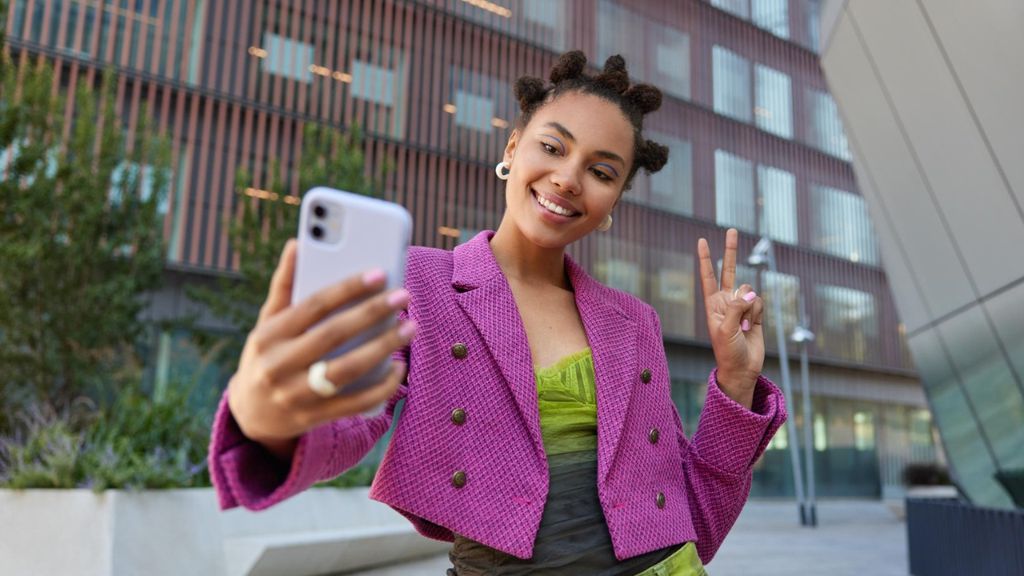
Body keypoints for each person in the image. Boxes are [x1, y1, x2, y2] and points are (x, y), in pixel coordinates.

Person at [209, 51, 787, 575]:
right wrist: (268, 422)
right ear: (513, 148)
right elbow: (353, 415)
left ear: (613, 202)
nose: (567, 178)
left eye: (602, 171)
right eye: (553, 147)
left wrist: (736, 382)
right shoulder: (422, 281)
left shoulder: (634, 322)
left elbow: (694, 521)